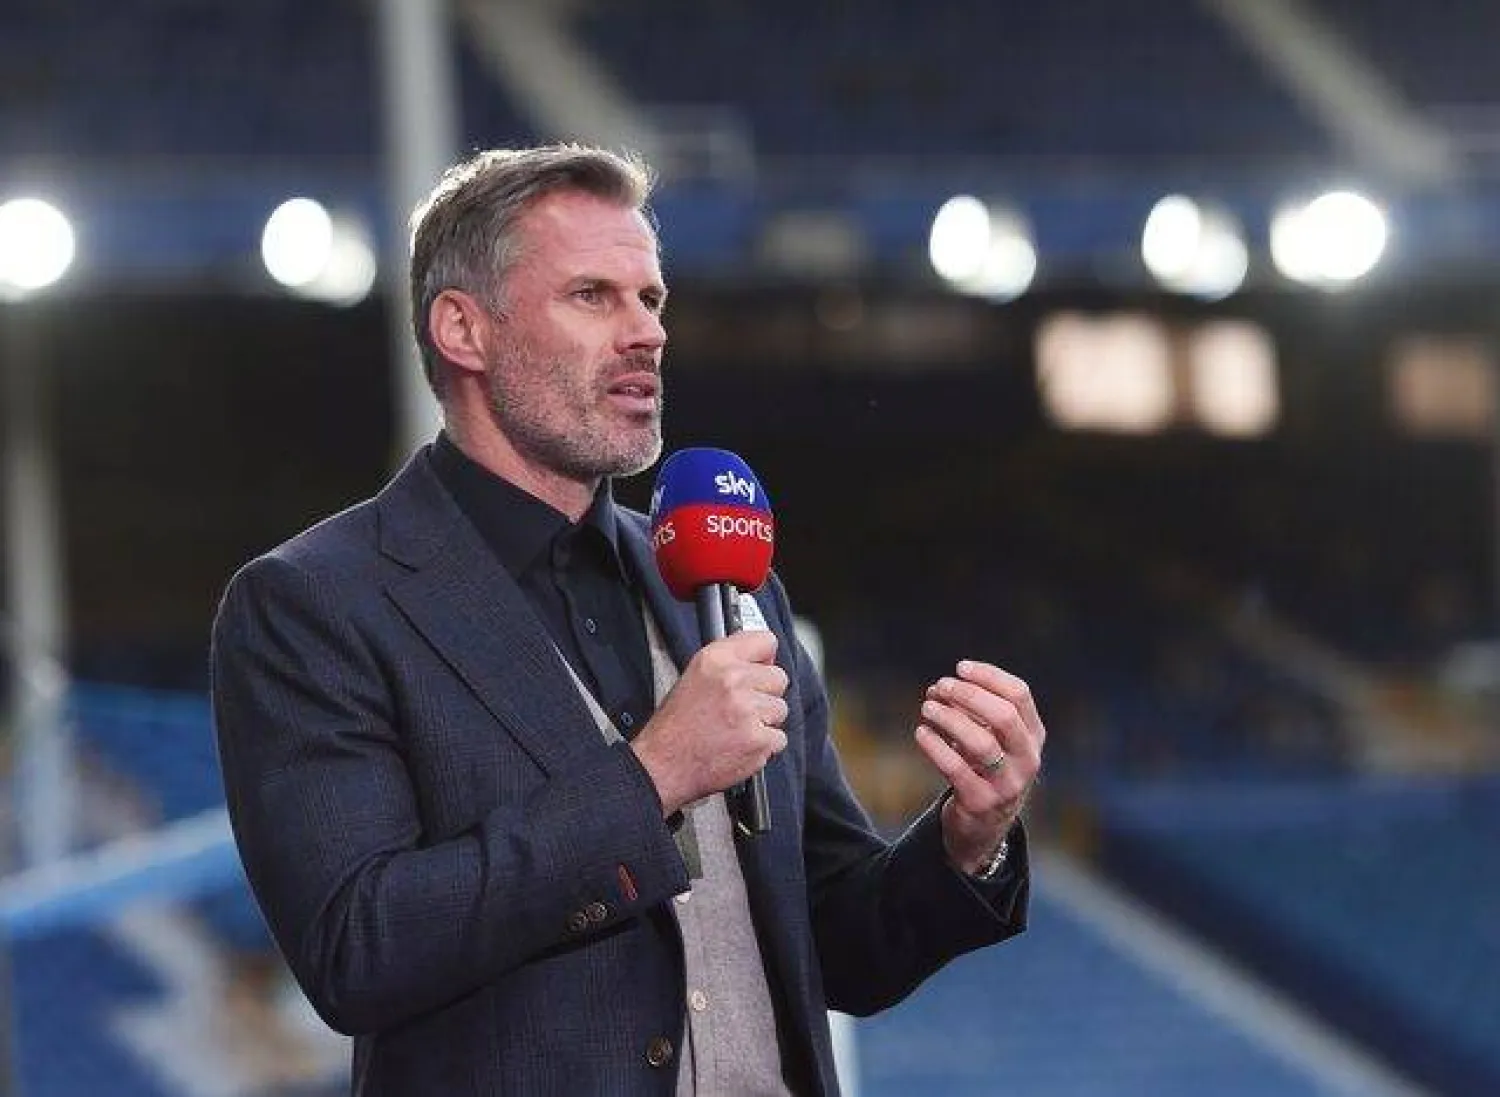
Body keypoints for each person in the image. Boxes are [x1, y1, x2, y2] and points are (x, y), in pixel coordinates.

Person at [211, 144, 1045, 1096]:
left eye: (651, 299)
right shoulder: (314, 603)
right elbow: (357, 948)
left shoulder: (726, 587)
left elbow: (842, 944)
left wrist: (966, 840)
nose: (645, 333)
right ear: (464, 329)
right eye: (592, 296)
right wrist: (654, 775)